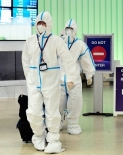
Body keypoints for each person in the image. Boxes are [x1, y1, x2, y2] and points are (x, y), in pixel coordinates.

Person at [22, 11, 76, 153]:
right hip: (34, 82)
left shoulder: (56, 40)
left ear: (49, 25)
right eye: (38, 23)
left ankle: (53, 140)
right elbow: (25, 61)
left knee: (52, 112)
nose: (40, 26)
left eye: (43, 23)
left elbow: (68, 60)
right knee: (33, 112)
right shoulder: (29, 40)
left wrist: (70, 78)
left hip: (51, 81)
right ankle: (38, 135)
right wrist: (29, 77)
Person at [59, 19, 95, 134]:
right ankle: (57, 121)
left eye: (71, 29)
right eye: (67, 29)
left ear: (75, 31)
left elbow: (86, 60)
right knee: (58, 102)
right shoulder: (58, 42)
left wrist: (89, 74)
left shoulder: (80, 44)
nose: (69, 32)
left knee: (75, 101)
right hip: (59, 79)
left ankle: (73, 124)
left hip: (74, 79)